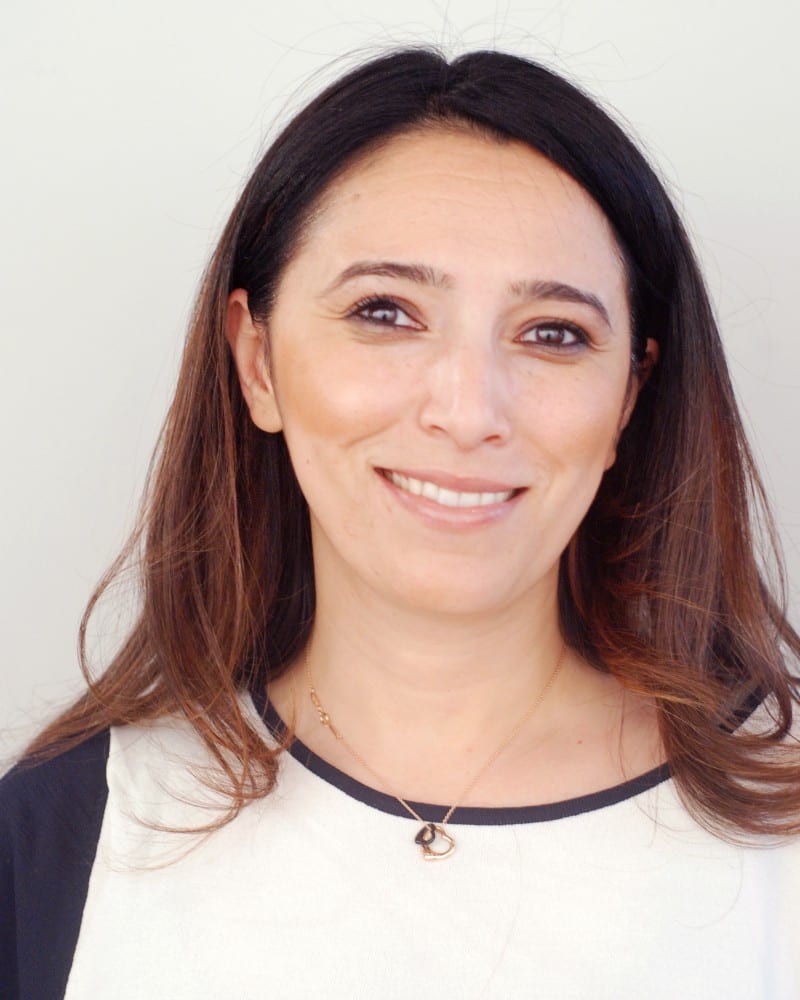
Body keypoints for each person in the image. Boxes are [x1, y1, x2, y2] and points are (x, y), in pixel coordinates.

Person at [2, 46, 799, 999]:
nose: (468, 411)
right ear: (257, 363)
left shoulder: (782, 830)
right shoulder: (57, 838)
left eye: (554, 333)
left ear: (629, 395)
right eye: (385, 312)